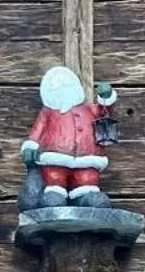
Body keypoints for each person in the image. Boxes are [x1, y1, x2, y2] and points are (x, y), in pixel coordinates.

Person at [20, 66, 115, 208]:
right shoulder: (48, 113)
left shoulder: (88, 109)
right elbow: (37, 131)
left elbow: (104, 111)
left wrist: (106, 97)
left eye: (67, 86)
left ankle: (86, 196)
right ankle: (55, 196)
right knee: (55, 179)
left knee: (87, 179)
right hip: (55, 160)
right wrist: (30, 147)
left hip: (87, 160)